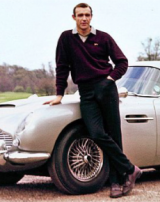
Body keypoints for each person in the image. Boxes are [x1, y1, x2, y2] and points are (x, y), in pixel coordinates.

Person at [44, 3, 142, 198]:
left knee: (114, 134)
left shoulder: (103, 37)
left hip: (106, 89)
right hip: (86, 92)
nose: (84, 19)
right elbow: (62, 66)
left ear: (91, 17)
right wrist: (59, 94)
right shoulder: (66, 38)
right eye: (80, 15)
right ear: (73, 17)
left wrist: (110, 79)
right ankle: (131, 169)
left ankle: (116, 182)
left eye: (87, 15)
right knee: (97, 133)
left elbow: (122, 62)